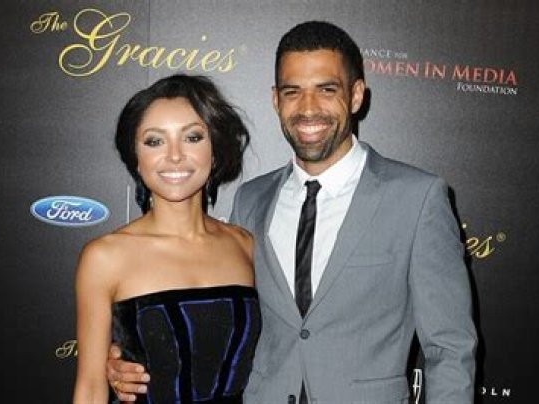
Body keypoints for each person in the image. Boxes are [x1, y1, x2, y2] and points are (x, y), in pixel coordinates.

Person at [107, 21, 477, 403]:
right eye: (292, 92)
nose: (308, 108)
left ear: (355, 96)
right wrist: (130, 357)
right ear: (275, 100)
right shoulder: (251, 200)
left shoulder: (416, 198)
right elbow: (216, 318)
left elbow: (449, 347)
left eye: (326, 90)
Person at [72, 74, 260, 404]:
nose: (174, 155)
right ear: (136, 158)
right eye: (155, 141)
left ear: (215, 150)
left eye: (192, 137)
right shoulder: (105, 257)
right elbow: (90, 389)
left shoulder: (245, 245)